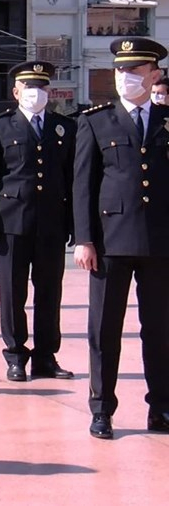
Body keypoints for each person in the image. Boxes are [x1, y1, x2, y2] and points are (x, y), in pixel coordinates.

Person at [73, 38, 169, 440]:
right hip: (110, 242)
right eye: (120, 70)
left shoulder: (166, 120)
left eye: (135, 70)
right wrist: (84, 239)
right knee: (104, 329)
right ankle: (102, 409)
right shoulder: (97, 120)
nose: (126, 77)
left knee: (161, 329)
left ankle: (161, 406)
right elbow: (83, 185)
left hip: (160, 242)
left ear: (155, 75)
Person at [0, 61, 76, 382]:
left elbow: (71, 177)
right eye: (30, 88)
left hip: (51, 222)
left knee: (49, 292)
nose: (37, 93)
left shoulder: (63, 127)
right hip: (11, 222)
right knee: (12, 292)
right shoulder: (0, 127)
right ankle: (16, 355)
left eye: (42, 87)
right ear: (16, 92)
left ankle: (46, 357)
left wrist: (74, 222)